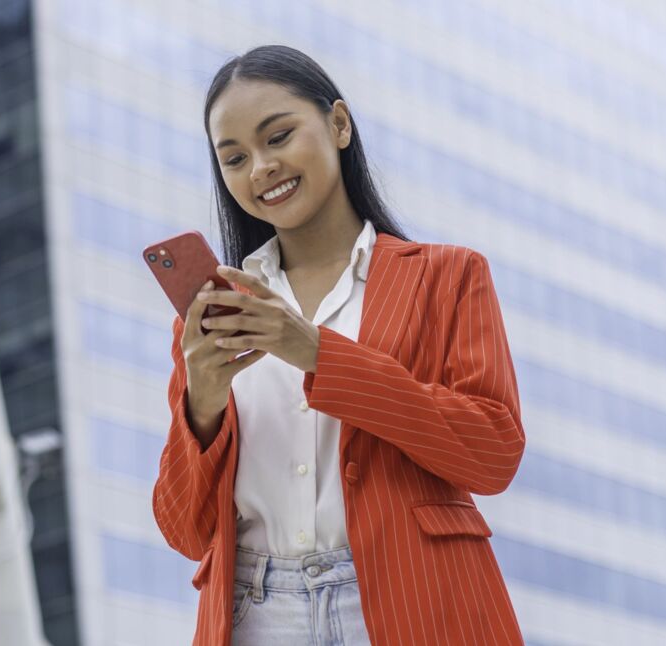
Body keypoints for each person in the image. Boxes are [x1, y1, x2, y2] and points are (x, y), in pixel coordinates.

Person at [152, 44, 526, 645]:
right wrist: (203, 405)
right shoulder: (214, 317)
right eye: (235, 158)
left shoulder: (448, 277)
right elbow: (184, 531)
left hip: (415, 601)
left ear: (339, 124)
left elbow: (492, 453)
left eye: (278, 137)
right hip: (256, 613)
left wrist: (319, 353)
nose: (260, 168)